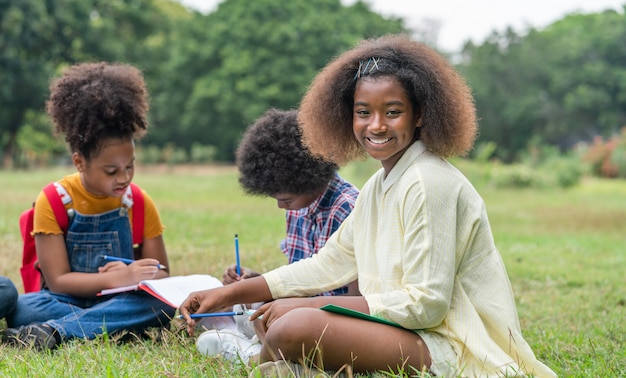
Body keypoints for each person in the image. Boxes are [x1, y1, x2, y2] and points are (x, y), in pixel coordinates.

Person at [180, 34, 556, 377]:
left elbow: (427, 306)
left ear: (420, 114)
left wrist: (311, 308)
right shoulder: (380, 184)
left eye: (392, 112)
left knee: (295, 327)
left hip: (452, 348)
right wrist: (229, 294)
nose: (376, 125)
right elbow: (330, 263)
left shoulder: (429, 181)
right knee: (280, 319)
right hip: (404, 335)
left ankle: (251, 358)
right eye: (363, 112)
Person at [4, 62, 176, 350]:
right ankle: (105, 324)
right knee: (23, 309)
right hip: (63, 300)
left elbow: (162, 274)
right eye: (111, 171)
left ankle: (56, 331)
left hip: (119, 300)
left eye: (130, 166)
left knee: (161, 304)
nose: (124, 178)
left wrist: (137, 274)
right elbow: (58, 281)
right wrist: (118, 278)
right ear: (79, 162)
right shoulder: (54, 199)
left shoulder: (140, 202)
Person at [195, 108, 360, 357]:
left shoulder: (348, 208)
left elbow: (358, 301)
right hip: (295, 306)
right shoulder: (299, 204)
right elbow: (298, 277)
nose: (280, 205)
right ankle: (249, 335)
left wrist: (291, 307)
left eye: (285, 198)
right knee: (236, 303)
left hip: (333, 317)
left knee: (279, 320)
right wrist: (256, 280)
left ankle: (251, 351)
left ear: (308, 177)